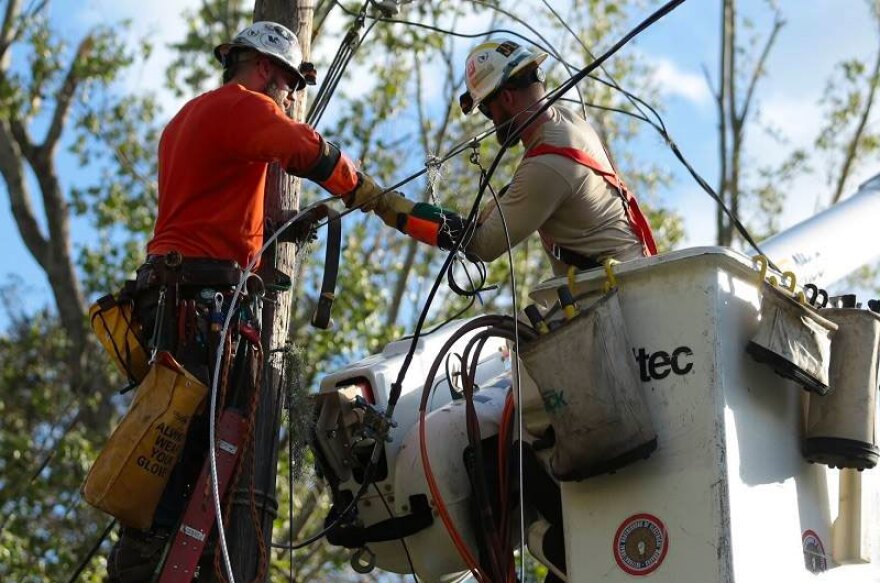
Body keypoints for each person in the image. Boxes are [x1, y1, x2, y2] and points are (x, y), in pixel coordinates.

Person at [105, 21, 382, 582]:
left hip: (175, 297)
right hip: (202, 307)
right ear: (265, 69)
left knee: (174, 456)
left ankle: (160, 563)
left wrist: (279, 222)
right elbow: (306, 148)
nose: (288, 99)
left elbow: (213, 207)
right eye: (288, 86)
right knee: (186, 465)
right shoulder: (243, 106)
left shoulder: (188, 118)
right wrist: (369, 193)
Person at [371, 38, 657, 276]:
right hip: (628, 280)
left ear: (506, 98)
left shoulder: (547, 165)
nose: (491, 120)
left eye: (487, 110)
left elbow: (483, 244)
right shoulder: (568, 123)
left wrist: (387, 205)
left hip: (620, 298)